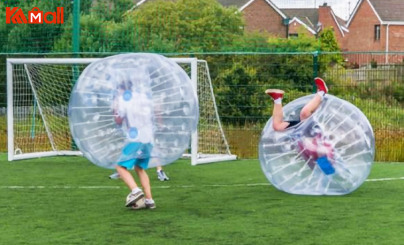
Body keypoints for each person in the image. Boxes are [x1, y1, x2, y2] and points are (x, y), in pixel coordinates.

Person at [113, 79, 156, 210]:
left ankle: (135, 190)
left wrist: (115, 109)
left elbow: (118, 120)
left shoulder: (123, 100)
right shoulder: (143, 97)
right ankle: (149, 200)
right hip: (148, 138)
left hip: (135, 138)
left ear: (122, 89)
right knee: (139, 168)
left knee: (119, 166)